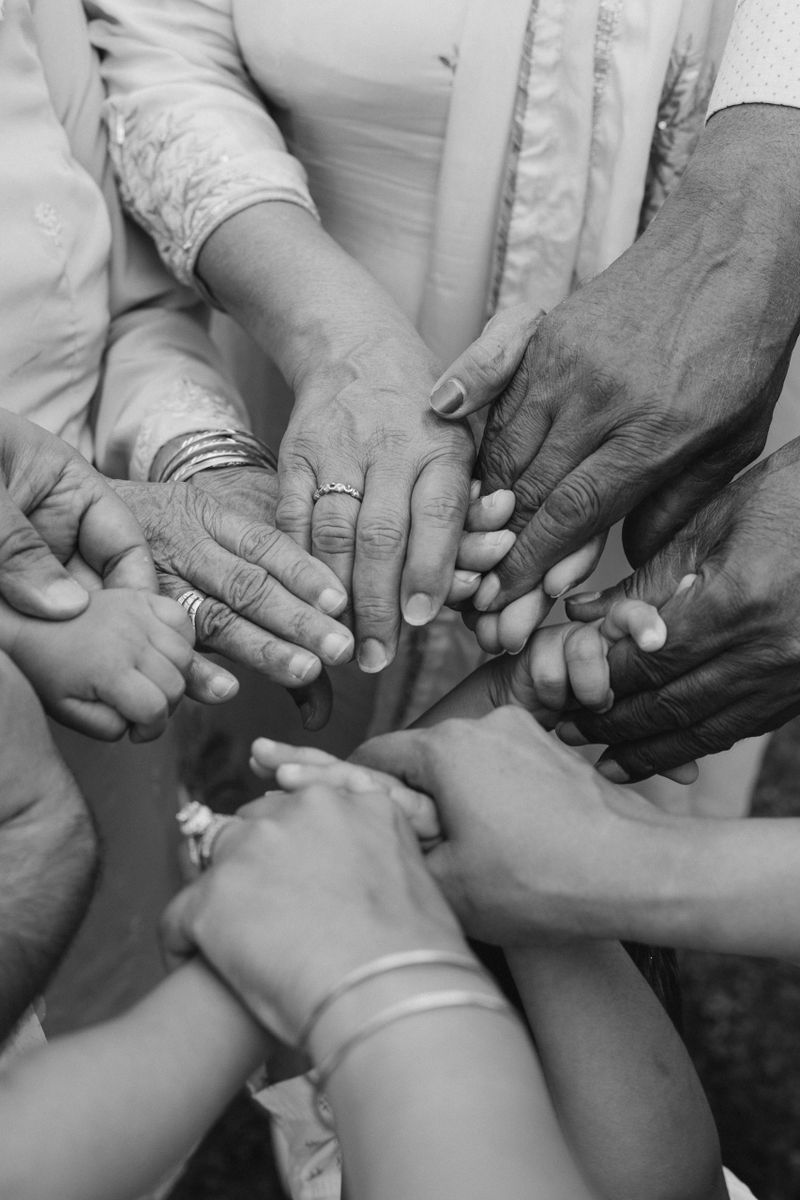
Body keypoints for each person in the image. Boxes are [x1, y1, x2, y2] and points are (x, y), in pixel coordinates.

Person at [86, 0, 735, 753]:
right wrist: (350, 344)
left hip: (699, 381)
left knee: (630, 690)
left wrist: (724, 287)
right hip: (288, 339)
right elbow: (164, 46)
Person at [0, 0, 359, 1033]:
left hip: (117, 649)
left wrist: (197, 468)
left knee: (105, 1011)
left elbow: (133, 304)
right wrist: (33, 618)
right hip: (82, 631)